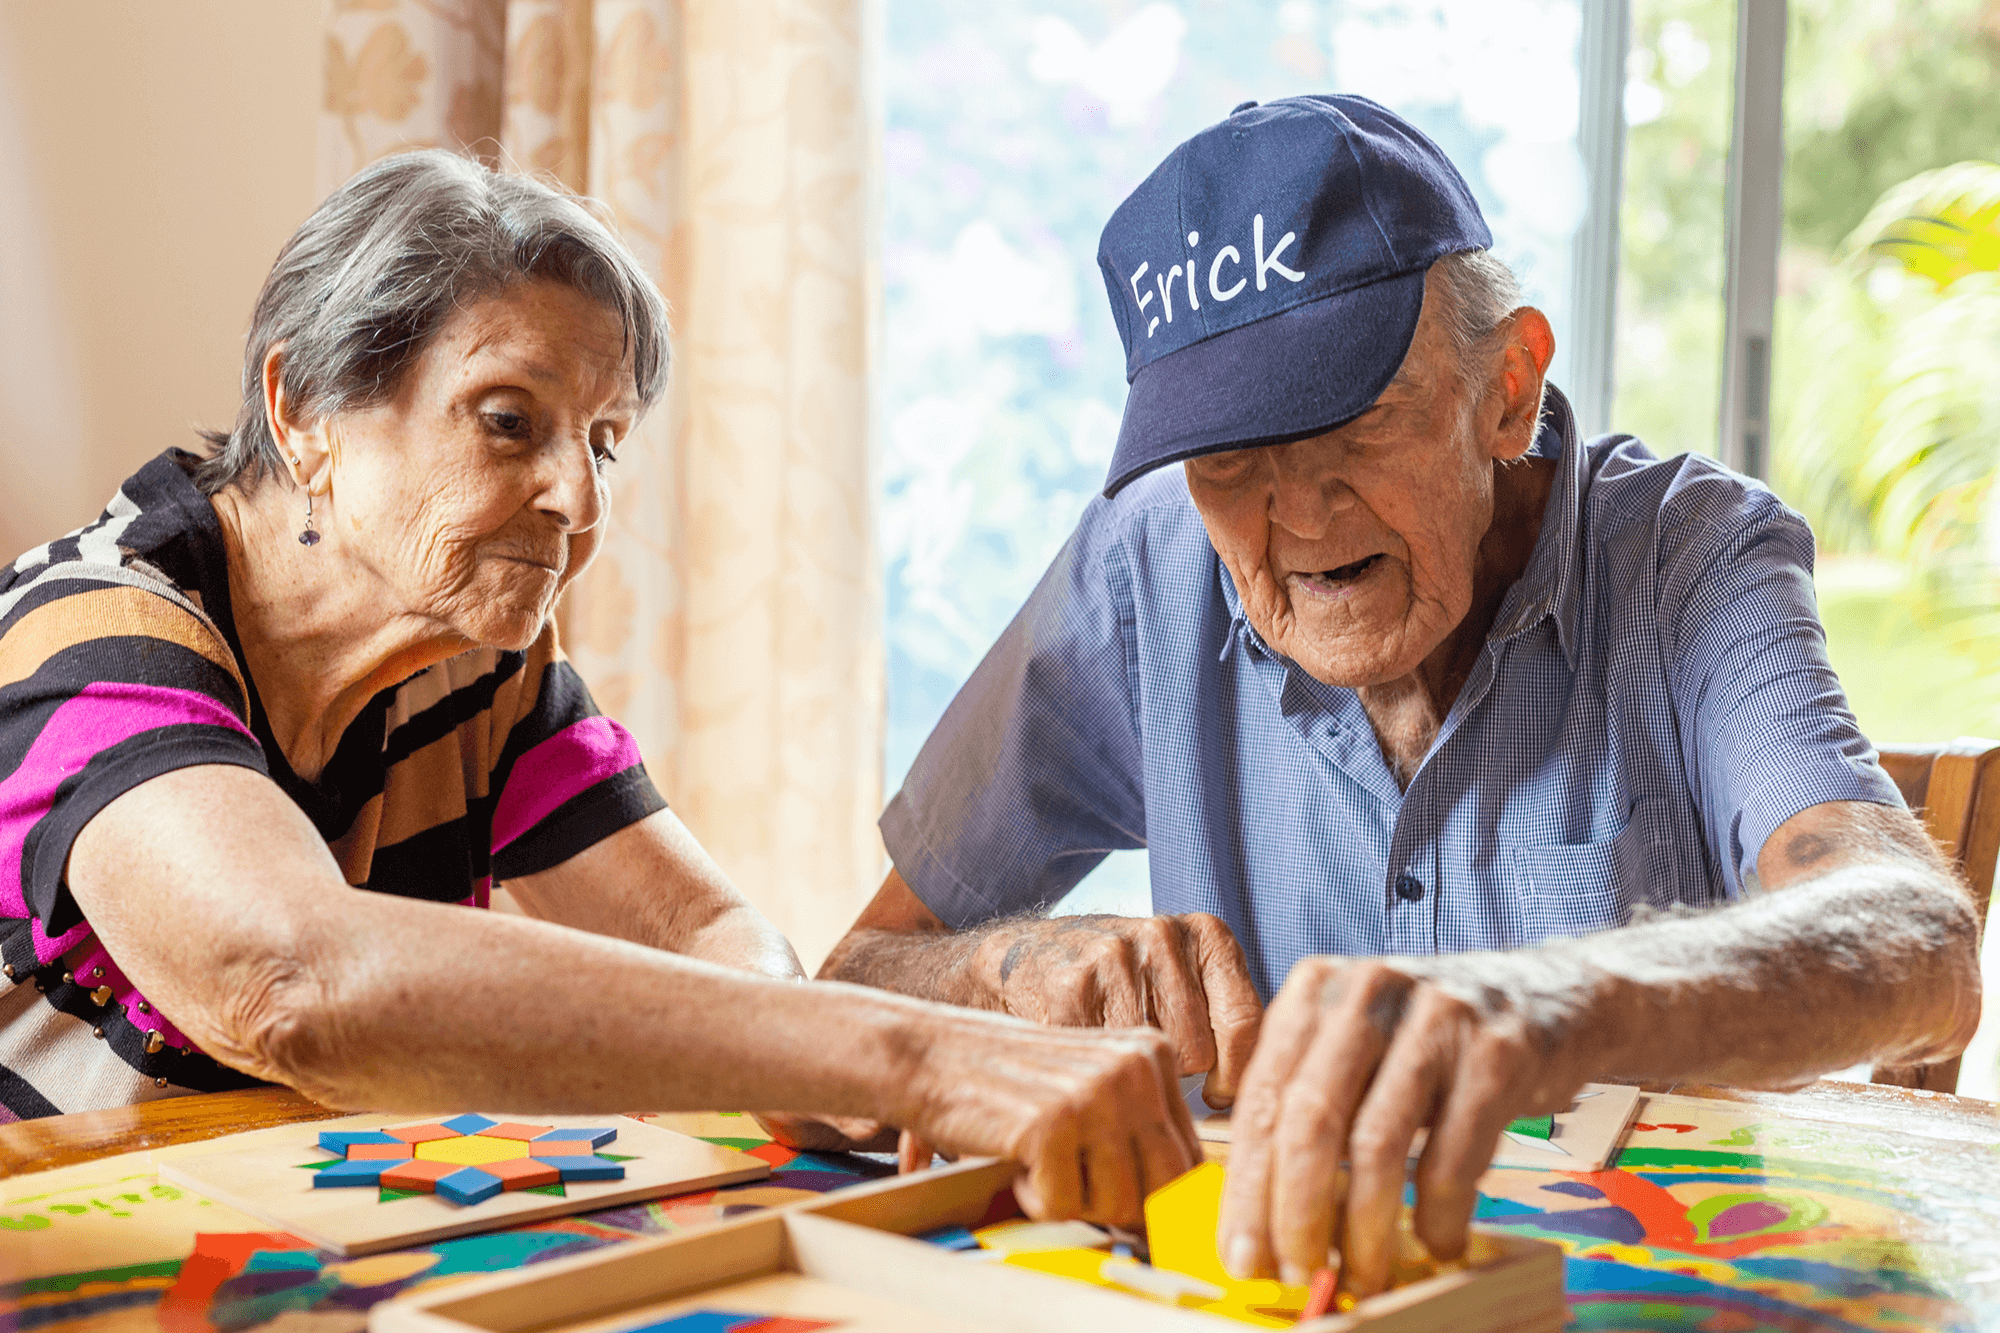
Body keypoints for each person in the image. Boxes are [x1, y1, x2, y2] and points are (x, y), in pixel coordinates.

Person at [820, 96, 1983, 1290]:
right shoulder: (1140, 566)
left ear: (1506, 389)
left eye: (1353, 421)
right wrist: (998, 972)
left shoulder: (1689, 555)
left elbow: (1918, 943)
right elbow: (845, 991)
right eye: (1226, 458)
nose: (1301, 517)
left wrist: (1548, 1001)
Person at [0, 150, 1199, 1223]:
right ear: (304, 410)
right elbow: (286, 977)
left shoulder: (480, 662)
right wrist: (910, 1054)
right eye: (509, 422)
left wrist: (823, 1070)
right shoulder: (87, 629)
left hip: (292, 1241)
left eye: (605, 441)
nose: (579, 502)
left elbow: (707, 935)